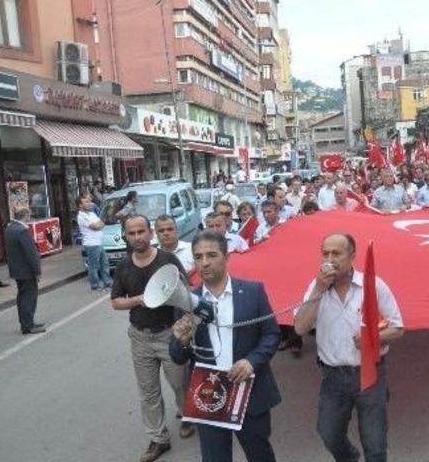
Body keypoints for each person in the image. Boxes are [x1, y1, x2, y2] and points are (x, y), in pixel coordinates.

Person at [170, 230, 280, 462]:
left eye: (211, 255)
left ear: (226, 256)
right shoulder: (188, 300)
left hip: (249, 390)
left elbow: (271, 335)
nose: (205, 262)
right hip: (207, 394)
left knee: (259, 454)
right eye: (198, 257)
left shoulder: (253, 292)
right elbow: (177, 356)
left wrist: (251, 362)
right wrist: (180, 339)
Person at [293, 234, 404, 462]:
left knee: (375, 445)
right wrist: (318, 290)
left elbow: (398, 328)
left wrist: (372, 339)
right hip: (333, 377)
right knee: (329, 434)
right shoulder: (316, 287)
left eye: (337, 253)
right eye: (326, 254)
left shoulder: (373, 284)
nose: (330, 259)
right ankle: (350, 457)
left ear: (352, 256)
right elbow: (300, 328)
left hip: (370, 374)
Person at [110, 214, 193, 462]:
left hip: (169, 334)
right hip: (140, 337)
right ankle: (159, 439)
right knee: (148, 392)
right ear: (126, 236)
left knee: (180, 383)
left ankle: (187, 415)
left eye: (141, 231)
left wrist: (185, 324)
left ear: (150, 233)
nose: (137, 237)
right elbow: (115, 302)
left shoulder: (168, 260)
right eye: (132, 233)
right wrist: (139, 299)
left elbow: (187, 292)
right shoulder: (124, 266)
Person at [4, 208, 44, 334]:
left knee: (22, 297)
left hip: (17, 270)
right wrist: (37, 271)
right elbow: (31, 253)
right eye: (29, 215)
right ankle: (28, 326)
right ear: (25, 215)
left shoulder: (10, 228)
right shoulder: (22, 231)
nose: (30, 217)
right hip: (26, 270)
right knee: (28, 298)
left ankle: (27, 322)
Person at [77, 195, 113, 292]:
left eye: (89, 202)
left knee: (104, 263)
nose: (89, 204)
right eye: (86, 202)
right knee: (94, 266)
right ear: (80, 205)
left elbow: (101, 223)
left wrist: (100, 224)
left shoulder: (91, 214)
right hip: (91, 244)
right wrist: (99, 225)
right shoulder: (81, 216)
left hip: (99, 242)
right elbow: (96, 226)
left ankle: (107, 282)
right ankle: (95, 285)